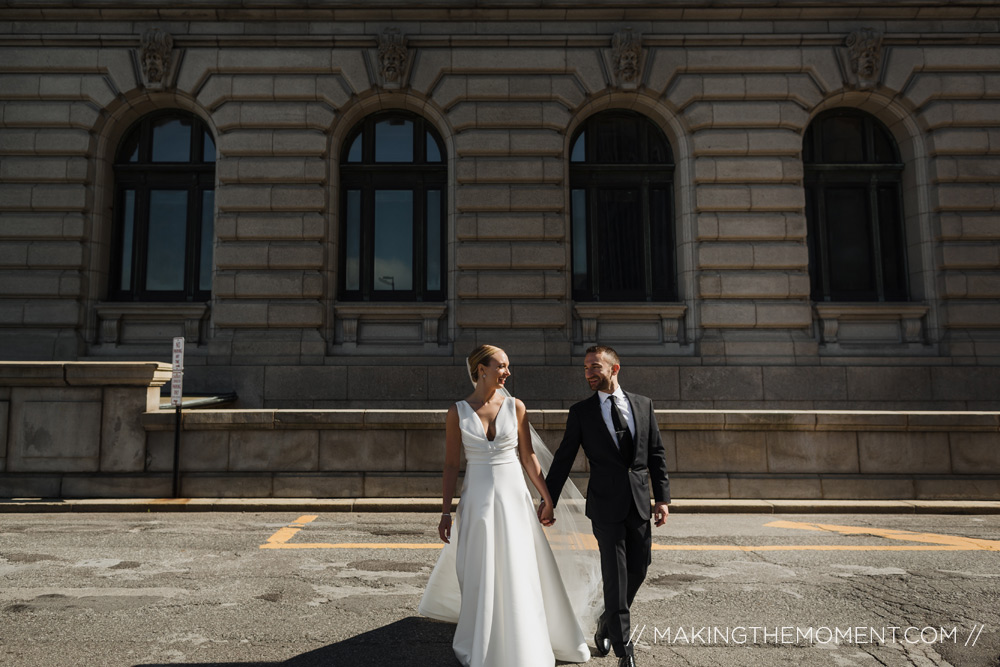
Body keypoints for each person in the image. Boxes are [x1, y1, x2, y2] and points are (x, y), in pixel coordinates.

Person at [419, 344, 593, 667]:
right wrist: (445, 511)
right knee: (479, 571)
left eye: (508, 366)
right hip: (477, 502)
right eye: (501, 366)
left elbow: (528, 458)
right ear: (481, 369)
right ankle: (482, 640)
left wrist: (547, 497)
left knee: (518, 567)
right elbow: (451, 465)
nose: (507, 372)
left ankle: (524, 639)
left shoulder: (516, 407)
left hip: (513, 498)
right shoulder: (457, 411)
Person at [544, 345, 670, 667]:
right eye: (585, 368)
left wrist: (663, 499)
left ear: (614, 369)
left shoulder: (643, 405)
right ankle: (623, 649)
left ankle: (607, 618)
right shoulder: (582, 412)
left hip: (639, 503)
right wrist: (549, 500)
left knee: (639, 569)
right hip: (604, 506)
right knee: (615, 575)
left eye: (595, 367)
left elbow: (655, 454)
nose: (588, 373)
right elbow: (563, 459)